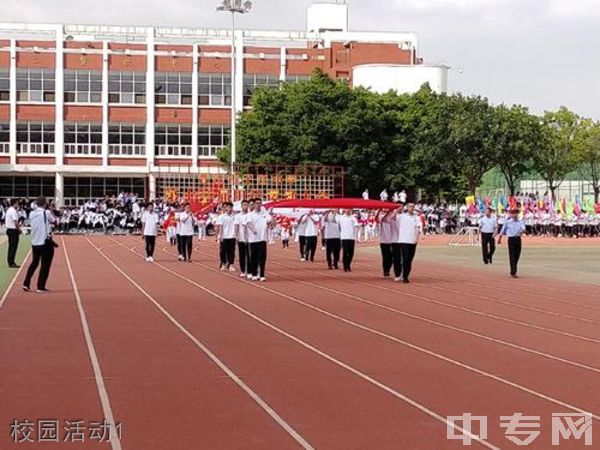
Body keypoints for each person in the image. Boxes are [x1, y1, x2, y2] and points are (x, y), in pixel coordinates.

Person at [22, 196, 56, 293]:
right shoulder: (46, 212)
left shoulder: (32, 213)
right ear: (45, 204)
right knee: (45, 265)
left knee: (34, 263)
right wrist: (52, 211)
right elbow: (54, 220)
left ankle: (26, 283)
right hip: (45, 242)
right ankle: (40, 286)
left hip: (35, 242)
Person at [246, 198, 272, 282]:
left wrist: (269, 223)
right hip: (253, 239)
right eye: (256, 203)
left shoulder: (264, 213)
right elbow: (248, 223)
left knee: (262, 258)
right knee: (254, 258)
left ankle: (262, 275)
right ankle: (254, 274)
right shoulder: (250, 214)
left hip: (262, 238)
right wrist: (253, 229)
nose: (258, 205)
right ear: (253, 205)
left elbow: (270, 221)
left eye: (259, 203)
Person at [498, 208, 526, 278]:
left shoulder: (520, 221)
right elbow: (502, 230)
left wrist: (523, 231)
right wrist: (499, 238)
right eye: (513, 213)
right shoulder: (508, 222)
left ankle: (513, 268)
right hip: (511, 239)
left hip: (518, 239)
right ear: (511, 214)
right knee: (512, 255)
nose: (515, 215)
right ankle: (513, 272)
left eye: (516, 213)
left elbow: (523, 228)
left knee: (517, 255)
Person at [396, 203, 420, 283]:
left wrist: (417, 238)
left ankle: (405, 274)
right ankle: (405, 277)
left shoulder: (416, 217)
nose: (412, 208)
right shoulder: (401, 216)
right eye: (410, 206)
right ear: (407, 208)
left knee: (409, 260)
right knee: (405, 259)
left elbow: (417, 228)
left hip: (412, 241)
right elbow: (391, 218)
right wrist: (396, 210)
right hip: (403, 240)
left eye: (413, 207)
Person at [217, 202, 236, 272]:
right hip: (224, 236)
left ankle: (231, 264)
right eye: (228, 207)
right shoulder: (222, 217)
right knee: (223, 251)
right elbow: (221, 227)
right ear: (226, 208)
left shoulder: (234, 216)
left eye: (231, 207)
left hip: (232, 236)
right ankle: (223, 263)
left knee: (231, 251)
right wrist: (220, 236)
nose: (230, 209)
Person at [234, 200, 250, 278]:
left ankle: (250, 271)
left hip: (251, 239)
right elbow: (236, 227)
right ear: (241, 206)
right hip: (241, 238)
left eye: (246, 205)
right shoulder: (238, 216)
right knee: (242, 255)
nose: (245, 206)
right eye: (244, 205)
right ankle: (243, 270)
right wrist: (236, 237)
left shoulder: (251, 215)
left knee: (250, 255)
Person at [378, 209, 396, 278]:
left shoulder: (394, 215)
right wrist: (388, 212)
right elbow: (380, 219)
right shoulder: (381, 215)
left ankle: (388, 269)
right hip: (384, 240)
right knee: (385, 256)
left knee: (392, 257)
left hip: (392, 240)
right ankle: (386, 271)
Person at [5, 198, 21, 268]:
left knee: (11, 246)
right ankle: (11, 262)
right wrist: (19, 229)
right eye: (17, 203)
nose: (18, 205)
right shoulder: (13, 211)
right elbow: (15, 222)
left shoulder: (9, 210)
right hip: (13, 230)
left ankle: (10, 261)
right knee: (13, 247)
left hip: (10, 230)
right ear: (14, 203)